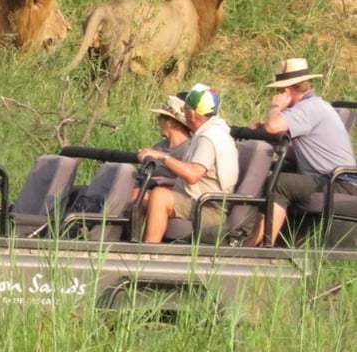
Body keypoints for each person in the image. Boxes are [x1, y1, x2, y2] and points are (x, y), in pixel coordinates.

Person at [243, 58, 357, 247]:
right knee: (278, 174)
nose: (277, 94)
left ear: (286, 91)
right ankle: (257, 236)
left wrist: (276, 107)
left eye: (279, 91)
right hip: (329, 178)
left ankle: (263, 246)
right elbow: (299, 155)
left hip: (341, 182)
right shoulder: (314, 107)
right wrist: (268, 138)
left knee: (280, 183)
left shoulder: (308, 108)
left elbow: (273, 125)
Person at [136, 84, 239, 243]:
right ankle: (134, 244)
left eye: (184, 110)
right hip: (201, 200)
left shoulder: (209, 138)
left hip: (210, 208)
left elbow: (193, 175)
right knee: (141, 196)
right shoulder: (210, 132)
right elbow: (207, 177)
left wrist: (163, 156)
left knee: (160, 197)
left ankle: (148, 253)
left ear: (191, 114)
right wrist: (171, 181)